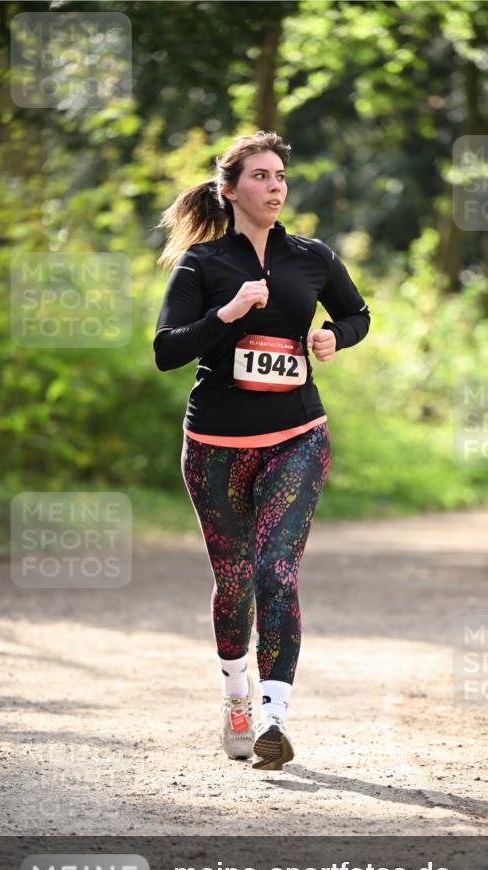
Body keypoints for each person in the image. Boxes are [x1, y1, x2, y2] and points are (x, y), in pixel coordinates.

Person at [153, 130, 370, 770]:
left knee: (277, 570)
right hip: (215, 444)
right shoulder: (202, 265)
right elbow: (167, 351)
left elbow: (357, 315)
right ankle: (237, 696)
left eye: (280, 176)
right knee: (234, 583)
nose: (275, 186)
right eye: (261, 176)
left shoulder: (312, 257)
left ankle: (274, 718)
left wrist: (334, 337)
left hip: (297, 434)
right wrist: (226, 314)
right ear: (229, 190)